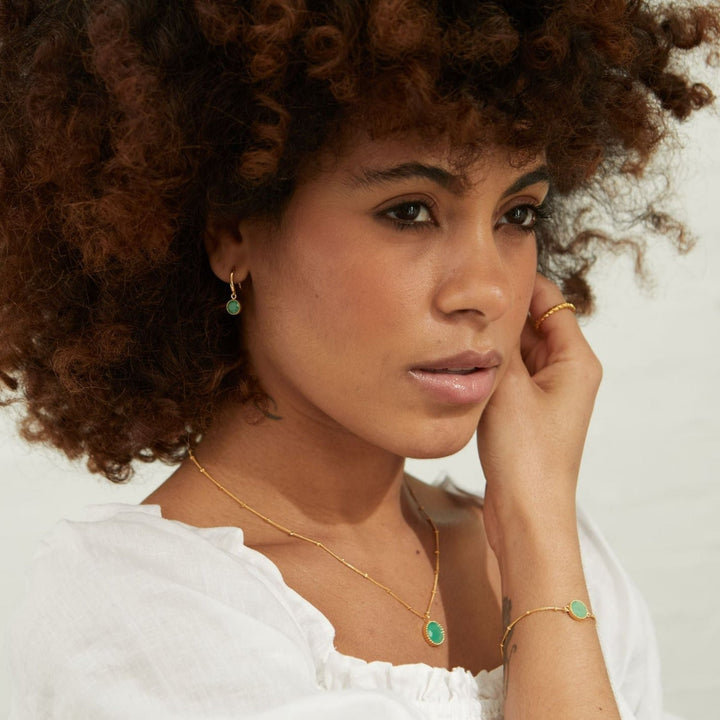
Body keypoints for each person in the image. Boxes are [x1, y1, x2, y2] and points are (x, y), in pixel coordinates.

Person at [1, 1, 718, 718]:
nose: (488, 291)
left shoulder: (559, 554)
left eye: (517, 215)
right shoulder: (136, 607)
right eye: (409, 212)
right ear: (231, 234)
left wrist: (538, 526)